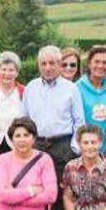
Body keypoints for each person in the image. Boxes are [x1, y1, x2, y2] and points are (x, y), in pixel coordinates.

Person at [22, 46, 85, 198]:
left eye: (52, 63)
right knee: (36, 185)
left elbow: (79, 121)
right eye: (43, 64)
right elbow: (23, 119)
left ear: (59, 64)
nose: (48, 67)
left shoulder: (71, 89)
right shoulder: (31, 87)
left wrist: (74, 148)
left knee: (62, 187)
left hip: (62, 146)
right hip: (36, 144)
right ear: (39, 65)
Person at [77, 46, 106, 155]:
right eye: (96, 62)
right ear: (89, 64)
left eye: (104, 63)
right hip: (84, 149)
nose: (100, 66)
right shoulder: (76, 88)